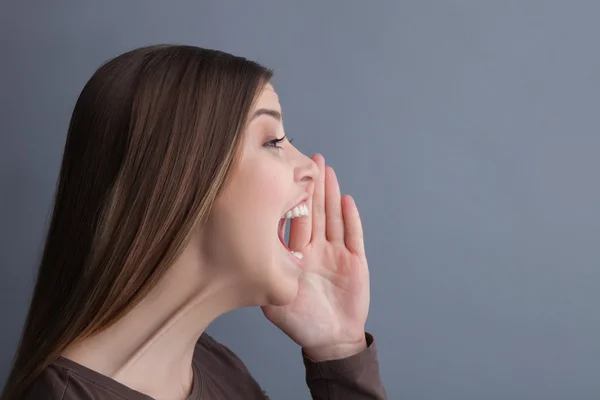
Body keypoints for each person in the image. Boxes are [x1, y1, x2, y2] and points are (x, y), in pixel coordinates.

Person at [1, 44, 386, 400]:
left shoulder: (211, 365)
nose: (310, 168)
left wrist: (339, 349)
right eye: (272, 141)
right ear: (175, 179)